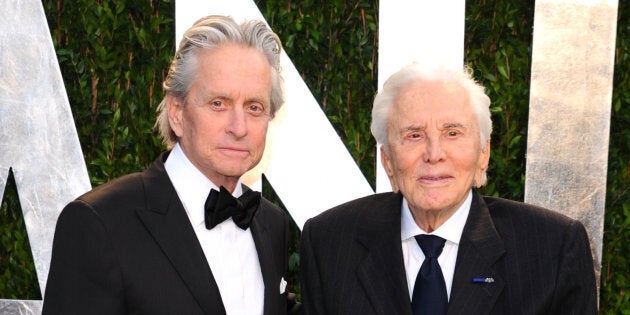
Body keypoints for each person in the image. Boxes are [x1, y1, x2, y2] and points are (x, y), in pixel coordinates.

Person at [43, 15, 299, 314]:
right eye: (219, 103)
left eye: (254, 107)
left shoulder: (271, 223)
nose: (238, 127)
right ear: (177, 112)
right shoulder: (100, 222)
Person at [299, 63, 598, 314]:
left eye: (452, 133)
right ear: (388, 160)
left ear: (483, 153)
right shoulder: (329, 243)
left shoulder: (553, 248)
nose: (434, 153)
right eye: (414, 135)